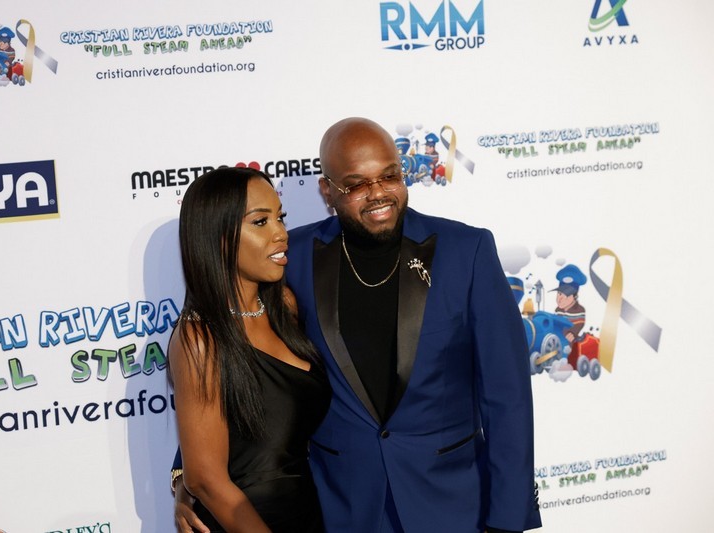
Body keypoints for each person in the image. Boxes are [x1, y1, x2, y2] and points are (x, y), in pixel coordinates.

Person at [176, 118, 541, 532]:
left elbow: (507, 395)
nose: (378, 193)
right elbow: (227, 355)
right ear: (327, 190)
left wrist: (508, 519)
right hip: (342, 507)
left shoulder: (466, 250)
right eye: (356, 185)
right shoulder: (293, 255)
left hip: (452, 503)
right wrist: (188, 476)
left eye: (389, 176)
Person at [168, 167, 331, 532]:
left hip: (306, 514)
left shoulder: (285, 307)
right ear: (218, 237)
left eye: (280, 217)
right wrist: (184, 479)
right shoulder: (199, 338)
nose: (281, 233)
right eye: (260, 222)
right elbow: (206, 479)